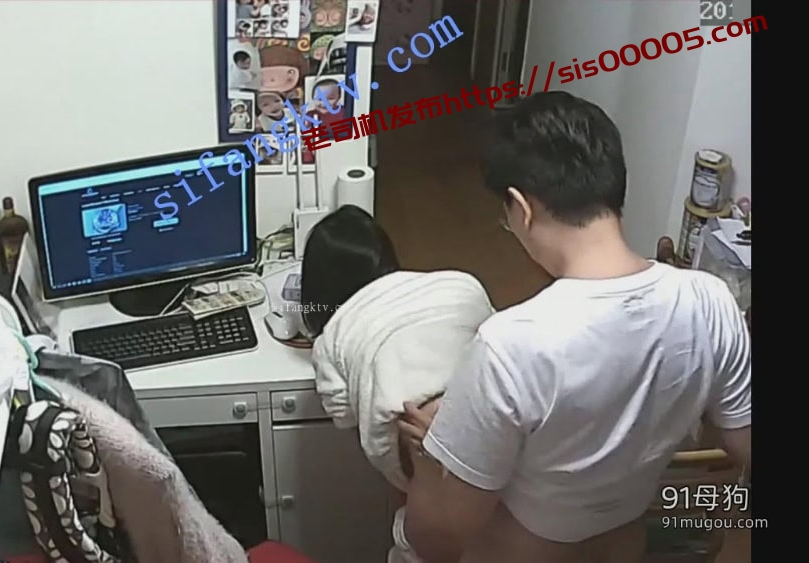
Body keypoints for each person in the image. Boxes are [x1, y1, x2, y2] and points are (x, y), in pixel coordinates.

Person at [396, 91, 752, 563]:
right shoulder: (711, 302)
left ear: (521, 208)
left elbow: (441, 537)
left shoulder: (509, 346)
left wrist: (432, 455)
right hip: (625, 544)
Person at [302, 205, 495, 563]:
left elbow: (347, 418)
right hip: (500, 442)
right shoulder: (461, 283)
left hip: (424, 461)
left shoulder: (331, 338)